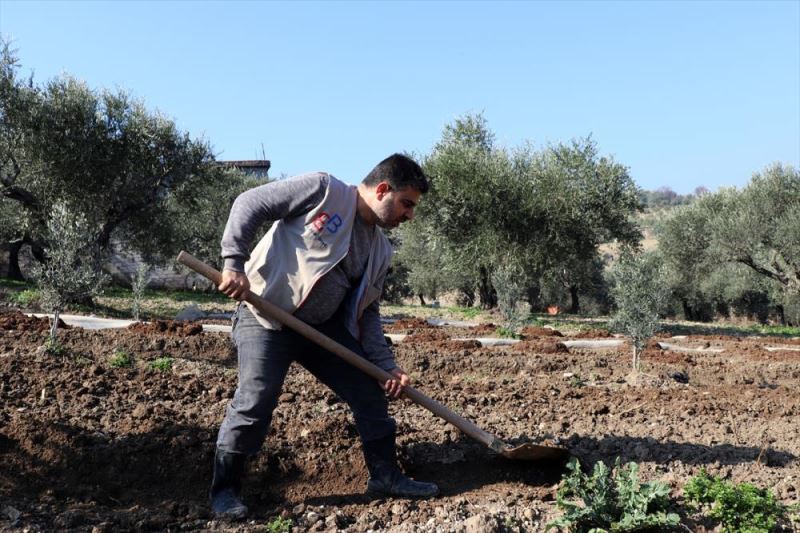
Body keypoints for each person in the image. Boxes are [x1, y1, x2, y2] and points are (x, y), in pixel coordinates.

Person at [210, 154, 439, 519]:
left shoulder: (380, 250)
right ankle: (224, 491)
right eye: (407, 204)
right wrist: (233, 262)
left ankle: (385, 476)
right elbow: (248, 202)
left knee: (369, 388)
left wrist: (385, 367)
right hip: (265, 313)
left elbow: (368, 313)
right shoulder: (322, 190)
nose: (409, 215)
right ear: (383, 190)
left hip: (323, 330)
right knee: (256, 398)